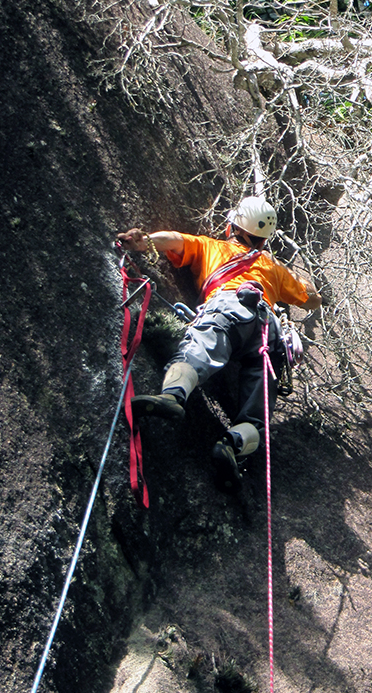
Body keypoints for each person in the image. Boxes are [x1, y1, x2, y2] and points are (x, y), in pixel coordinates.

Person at [117, 195, 322, 490]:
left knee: (199, 348)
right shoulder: (274, 269)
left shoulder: (215, 247)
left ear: (233, 227)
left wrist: (143, 241)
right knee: (258, 403)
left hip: (228, 306)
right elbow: (312, 300)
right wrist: (292, 275)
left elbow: (174, 240)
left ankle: (173, 396)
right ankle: (234, 442)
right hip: (267, 329)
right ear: (263, 239)